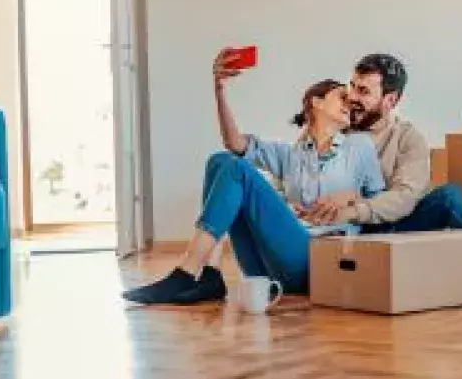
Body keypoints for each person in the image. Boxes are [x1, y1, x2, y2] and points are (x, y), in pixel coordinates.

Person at [123, 49, 385, 305]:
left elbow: (380, 208)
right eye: (342, 96)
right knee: (221, 161)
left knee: (237, 169)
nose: (349, 103)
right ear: (316, 102)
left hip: (317, 260)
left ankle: (186, 273)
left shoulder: (360, 147)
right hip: (269, 265)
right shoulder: (288, 155)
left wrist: (350, 197)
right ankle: (210, 275)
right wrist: (219, 90)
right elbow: (234, 143)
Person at [298, 53, 462, 232]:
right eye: (352, 87)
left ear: (390, 100)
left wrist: (354, 209)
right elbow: (294, 179)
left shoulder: (407, 137)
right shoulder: (332, 126)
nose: (352, 97)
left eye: (364, 91)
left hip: (387, 224)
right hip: (334, 226)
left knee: (451, 197)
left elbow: (404, 197)